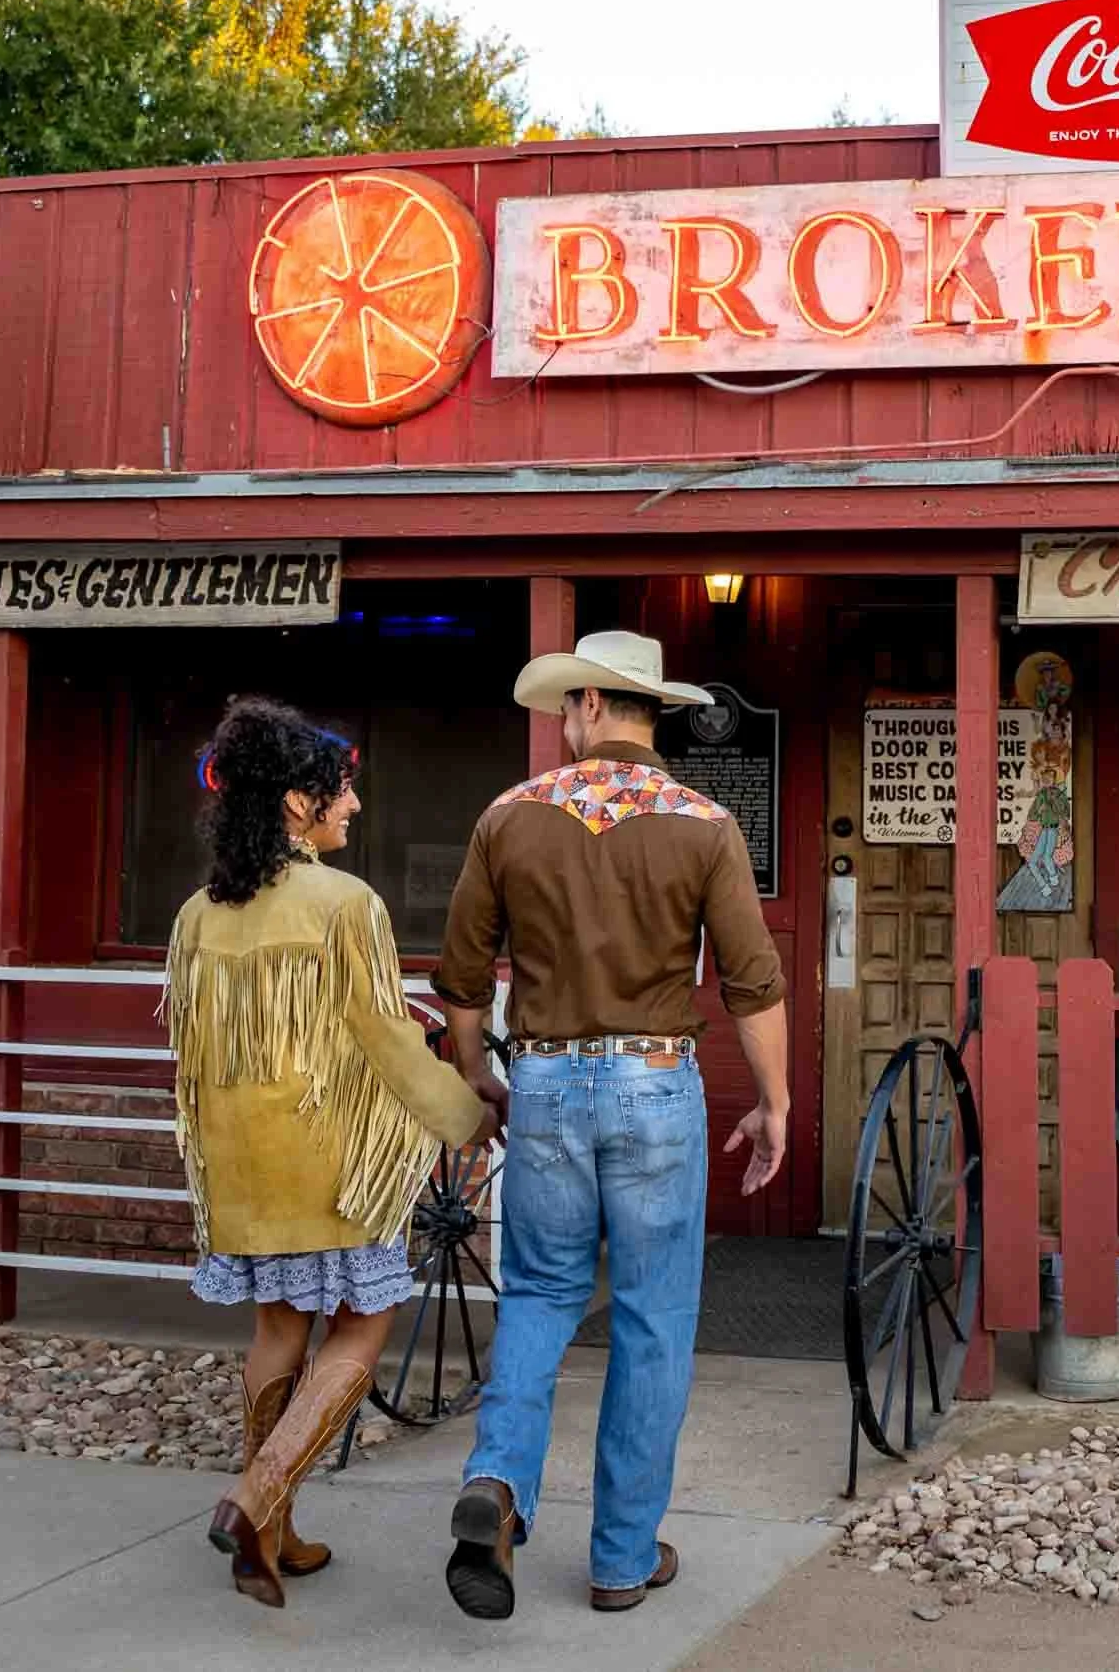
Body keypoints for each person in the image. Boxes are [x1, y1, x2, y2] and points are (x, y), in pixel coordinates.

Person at [435, 628, 791, 1620]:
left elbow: (464, 980)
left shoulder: (509, 816)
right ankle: (621, 1559)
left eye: (566, 705)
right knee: (651, 1314)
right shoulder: (703, 822)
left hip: (544, 1083)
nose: (559, 721)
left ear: (593, 704)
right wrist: (776, 1101)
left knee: (543, 1292)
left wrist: (475, 1078)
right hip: (655, 1084)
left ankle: (498, 1485)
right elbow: (751, 982)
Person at [162, 696, 496, 1609]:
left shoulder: (197, 914)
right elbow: (387, 1039)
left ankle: (271, 1536)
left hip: (239, 1164)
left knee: (277, 1329)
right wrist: (467, 1113)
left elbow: (190, 1052)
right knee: (363, 1323)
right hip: (331, 1165)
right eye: (339, 792)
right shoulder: (346, 903)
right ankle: (253, 1497)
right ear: (293, 804)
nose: (353, 808)